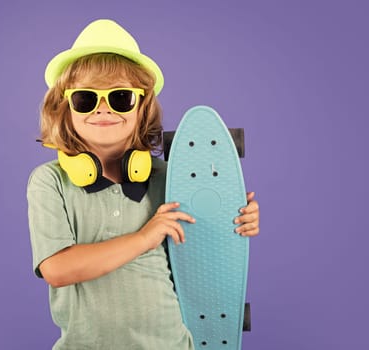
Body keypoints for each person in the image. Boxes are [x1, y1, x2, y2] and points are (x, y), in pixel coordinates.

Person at [27, 19, 260, 350]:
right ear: (64, 109)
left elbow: (203, 251)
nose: (103, 109)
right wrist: (143, 237)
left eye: (121, 97)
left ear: (142, 108)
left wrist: (238, 219)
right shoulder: (50, 182)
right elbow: (57, 269)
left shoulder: (170, 177)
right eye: (85, 99)